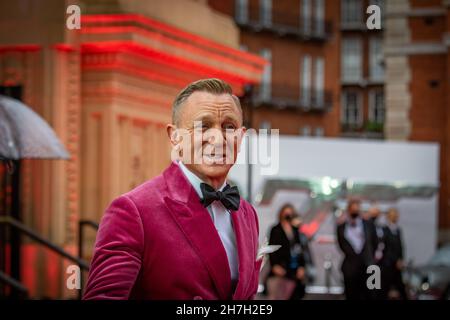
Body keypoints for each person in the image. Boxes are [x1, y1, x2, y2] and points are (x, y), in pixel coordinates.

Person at [83, 78, 261, 300]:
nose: (218, 139)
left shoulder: (248, 215)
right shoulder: (133, 211)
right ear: (175, 137)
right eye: (203, 126)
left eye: (229, 127)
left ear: (241, 137)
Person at [267, 204, 312, 300]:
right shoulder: (275, 230)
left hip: (295, 269)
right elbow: (271, 249)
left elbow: (301, 249)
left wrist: (302, 267)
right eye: (285, 213)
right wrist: (274, 265)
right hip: (282, 268)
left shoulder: (296, 230)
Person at [336, 199, 378, 300]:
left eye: (356, 209)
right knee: (351, 295)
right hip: (350, 267)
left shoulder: (368, 224)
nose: (355, 212)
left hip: (368, 266)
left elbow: (374, 242)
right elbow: (341, 245)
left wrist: (368, 257)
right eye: (352, 210)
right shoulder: (341, 226)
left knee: (371, 295)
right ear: (348, 210)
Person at [383, 208, 407, 300]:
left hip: (397, 265)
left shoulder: (398, 230)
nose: (396, 217)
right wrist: (395, 260)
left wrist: (401, 259)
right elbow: (387, 249)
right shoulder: (384, 230)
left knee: (401, 288)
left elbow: (400, 247)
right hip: (389, 265)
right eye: (393, 215)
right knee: (385, 288)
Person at [367, 205, 388, 299]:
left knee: (380, 287)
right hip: (371, 261)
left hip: (381, 262)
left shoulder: (381, 227)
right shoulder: (367, 226)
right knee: (371, 288)